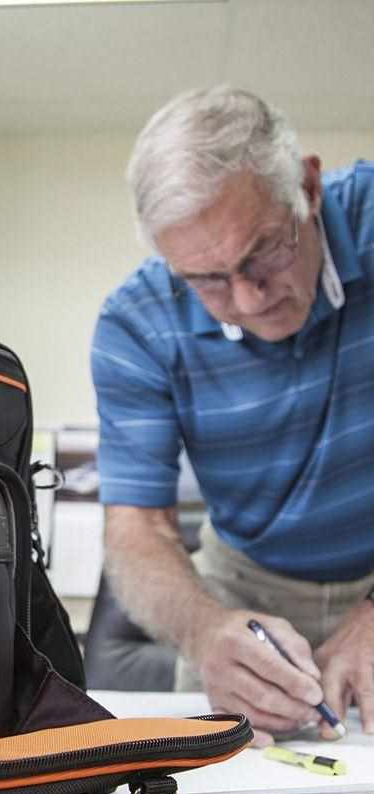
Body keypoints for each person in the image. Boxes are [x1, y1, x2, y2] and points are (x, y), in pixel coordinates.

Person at [90, 85, 374, 746]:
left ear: (308, 187)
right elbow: (137, 529)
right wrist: (203, 630)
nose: (247, 299)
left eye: (265, 250)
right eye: (207, 280)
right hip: (241, 585)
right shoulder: (136, 324)